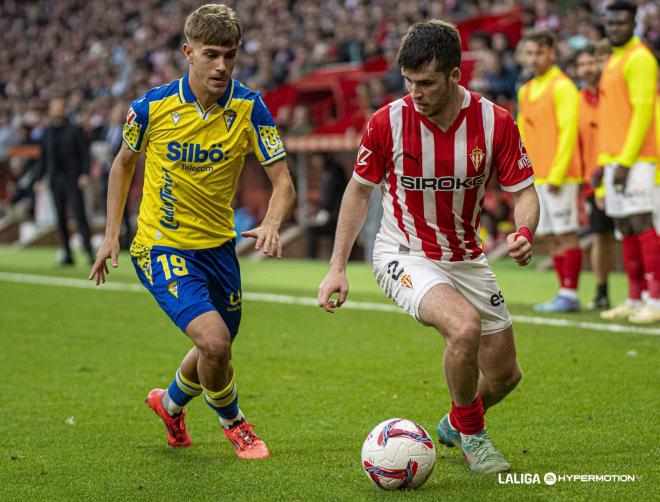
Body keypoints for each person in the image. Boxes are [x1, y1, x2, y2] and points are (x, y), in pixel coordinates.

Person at [317, 20, 539, 475]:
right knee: (463, 328)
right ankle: (476, 439)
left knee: (504, 375)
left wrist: (524, 233)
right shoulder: (388, 122)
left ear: (456, 76)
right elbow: (358, 192)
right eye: (409, 82)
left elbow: (525, 192)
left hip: (466, 257)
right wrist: (338, 266)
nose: (415, 92)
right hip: (403, 252)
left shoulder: (494, 122)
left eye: (426, 82)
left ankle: (456, 422)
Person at [89, 4, 295, 458]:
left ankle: (169, 403)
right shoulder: (151, 107)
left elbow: (283, 181)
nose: (221, 65)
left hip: (219, 249)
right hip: (161, 246)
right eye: (211, 54)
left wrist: (274, 223)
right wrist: (110, 235)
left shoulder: (249, 107)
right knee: (215, 341)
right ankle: (235, 423)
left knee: (215, 351)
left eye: (230, 55)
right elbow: (122, 165)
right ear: (188, 52)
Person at [594, 1, 659, 324]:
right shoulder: (615, 60)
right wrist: (605, 162)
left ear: (633, 23)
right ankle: (634, 298)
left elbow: (643, 112)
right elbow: (613, 117)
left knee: (642, 223)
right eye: (610, 23)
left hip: (638, 158)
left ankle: (656, 300)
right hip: (615, 159)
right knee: (623, 226)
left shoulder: (641, 59)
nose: (614, 28)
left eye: (621, 23)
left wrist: (625, 161)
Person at [517, 30, 583, 313]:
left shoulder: (563, 86)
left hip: (560, 174)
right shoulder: (526, 89)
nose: (533, 59)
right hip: (537, 176)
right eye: (529, 53)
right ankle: (563, 292)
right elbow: (521, 134)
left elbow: (569, 131)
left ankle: (571, 292)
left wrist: (557, 172)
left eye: (539, 53)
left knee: (566, 232)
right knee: (551, 235)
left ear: (552, 53)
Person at [575, 45, 616, 310]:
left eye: (593, 62)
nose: (588, 68)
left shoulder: (614, 94)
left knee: (641, 230)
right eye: (583, 64)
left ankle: (648, 292)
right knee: (601, 235)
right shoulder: (577, 100)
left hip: (621, 170)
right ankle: (602, 292)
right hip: (593, 179)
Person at [35, 97, 94, 266]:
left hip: (73, 178)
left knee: (80, 215)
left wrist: (85, 173)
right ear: (50, 110)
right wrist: (39, 179)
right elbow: (43, 159)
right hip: (55, 179)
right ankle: (67, 255)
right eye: (56, 107)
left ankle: (89, 253)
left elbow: (84, 154)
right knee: (60, 218)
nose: (59, 110)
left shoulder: (75, 130)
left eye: (61, 107)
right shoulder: (46, 132)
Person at [307, 153, 348, 258]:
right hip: (334, 214)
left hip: (336, 216)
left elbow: (330, 196)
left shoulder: (333, 172)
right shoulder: (328, 171)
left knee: (313, 231)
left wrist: (324, 211)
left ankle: (312, 260)